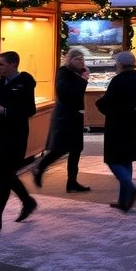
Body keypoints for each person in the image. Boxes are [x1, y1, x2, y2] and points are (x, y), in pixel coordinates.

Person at [0, 51, 38, 230]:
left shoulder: (24, 83)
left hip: (16, 136)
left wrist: (6, 111)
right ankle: (27, 201)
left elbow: (30, 110)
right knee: (3, 173)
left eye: (1, 64)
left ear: (13, 65)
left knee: (5, 175)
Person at [96, 51, 136, 212]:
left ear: (120, 64)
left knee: (113, 160)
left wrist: (100, 101)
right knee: (127, 159)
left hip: (118, 125)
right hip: (135, 124)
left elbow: (106, 103)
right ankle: (123, 200)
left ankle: (130, 188)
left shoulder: (118, 81)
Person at [33, 48, 91, 191]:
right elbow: (67, 93)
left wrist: (82, 78)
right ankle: (39, 167)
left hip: (76, 115)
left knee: (76, 149)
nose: (81, 62)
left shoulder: (78, 73)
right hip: (65, 116)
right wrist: (83, 80)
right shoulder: (63, 73)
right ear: (69, 60)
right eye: (77, 59)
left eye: (82, 59)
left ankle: (72, 182)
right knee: (59, 149)